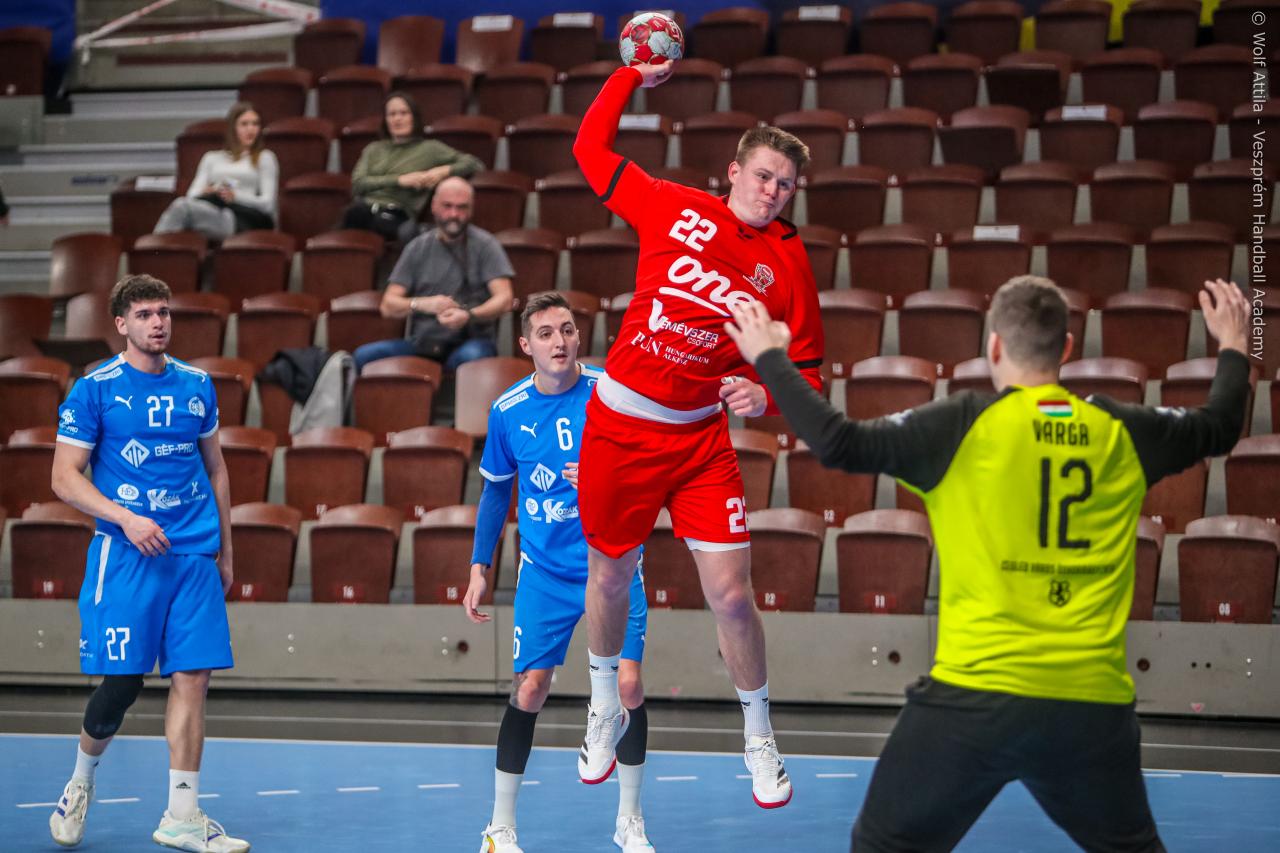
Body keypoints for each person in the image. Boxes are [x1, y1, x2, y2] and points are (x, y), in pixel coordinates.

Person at [724, 276, 1252, 852]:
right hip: (1089, 707)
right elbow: (1221, 426)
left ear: (994, 346)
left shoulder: (961, 425)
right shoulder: (1123, 431)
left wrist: (770, 356)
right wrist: (1233, 342)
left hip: (972, 701)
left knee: (882, 846)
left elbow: (837, 442)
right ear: (1067, 348)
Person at [572, 59, 824, 809]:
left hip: (699, 441)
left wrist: (765, 393)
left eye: (786, 185)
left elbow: (809, 374)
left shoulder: (788, 261)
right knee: (610, 577)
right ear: (734, 171)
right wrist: (628, 77)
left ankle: (759, 734)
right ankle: (602, 704)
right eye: (764, 176)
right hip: (620, 424)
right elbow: (588, 150)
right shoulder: (670, 205)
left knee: (733, 597)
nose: (772, 192)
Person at [47, 274, 246, 853]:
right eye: (144, 315)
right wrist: (126, 519)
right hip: (128, 554)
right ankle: (81, 780)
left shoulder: (197, 385)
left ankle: (182, 815)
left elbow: (216, 469)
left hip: (193, 552)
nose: (158, 323)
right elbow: (63, 478)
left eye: (163, 312)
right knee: (123, 684)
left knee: (194, 676)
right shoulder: (95, 389)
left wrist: (225, 549)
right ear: (121, 324)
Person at [463, 292, 654, 853]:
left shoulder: (608, 394)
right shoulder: (507, 411)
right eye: (546, 333)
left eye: (567, 330)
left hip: (611, 565)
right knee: (530, 689)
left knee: (629, 686)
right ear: (526, 345)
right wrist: (479, 567)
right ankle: (499, 828)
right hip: (544, 573)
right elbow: (495, 496)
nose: (560, 342)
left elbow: (648, 472)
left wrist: (602, 475)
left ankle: (630, 821)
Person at [353, 176, 514, 372]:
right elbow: (388, 306)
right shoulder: (417, 247)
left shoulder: (486, 245)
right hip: (423, 343)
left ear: (471, 210)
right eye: (447, 206)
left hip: (470, 340)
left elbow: (505, 298)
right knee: (364, 356)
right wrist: (423, 304)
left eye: (462, 207)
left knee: (473, 356)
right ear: (434, 206)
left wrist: (469, 315)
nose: (454, 214)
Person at [342, 90, 483, 241]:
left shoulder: (430, 149)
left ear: (414, 117)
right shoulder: (373, 149)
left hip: (397, 214)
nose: (397, 119)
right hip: (362, 211)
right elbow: (357, 184)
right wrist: (400, 180)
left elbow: (474, 164)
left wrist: (443, 171)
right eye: (392, 114)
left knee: (401, 230)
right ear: (386, 120)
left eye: (403, 113)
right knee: (354, 214)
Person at [155, 101, 278, 240]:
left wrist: (235, 196)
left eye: (255, 124)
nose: (251, 129)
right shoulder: (211, 158)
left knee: (182, 208)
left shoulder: (265, 157)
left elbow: (268, 204)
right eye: (244, 124)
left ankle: (154, 248)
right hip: (213, 208)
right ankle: (159, 248)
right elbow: (192, 195)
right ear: (233, 128)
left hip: (242, 218)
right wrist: (209, 191)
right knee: (182, 206)